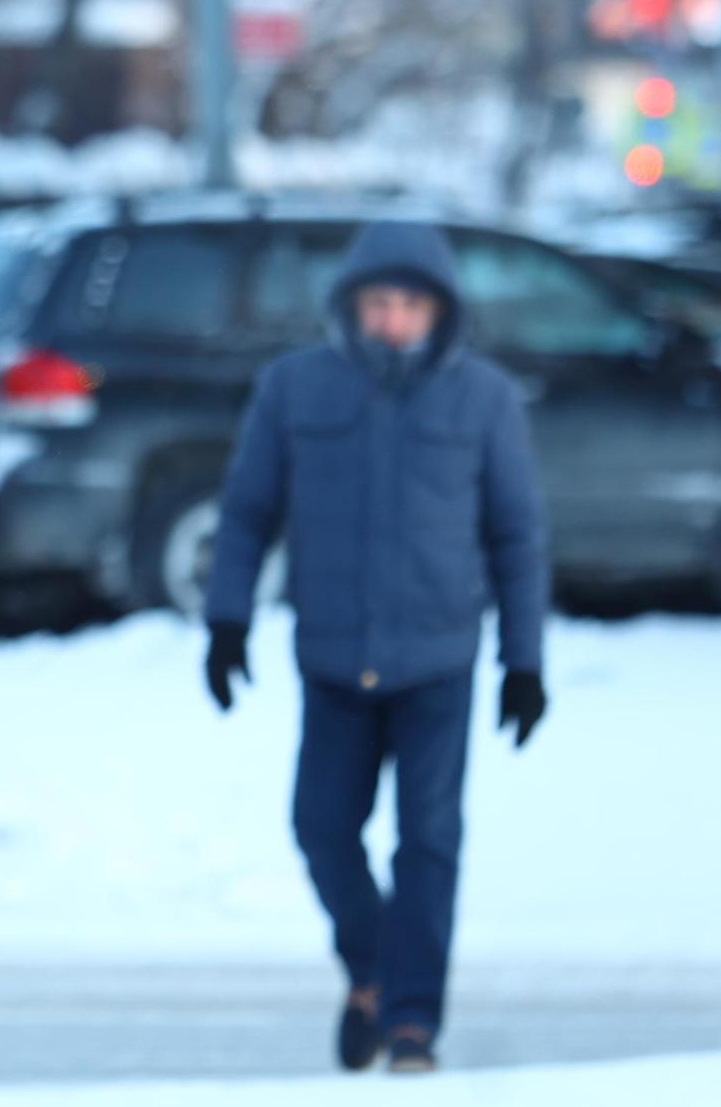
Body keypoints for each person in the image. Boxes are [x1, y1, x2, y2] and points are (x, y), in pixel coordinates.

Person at [199, 220, 549, 1077]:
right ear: (352, 307)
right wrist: (227, 618)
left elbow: (517, 536)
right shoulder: (295, 390)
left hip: (437, 662)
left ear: (438, 312)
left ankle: (410, 1026)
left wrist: (524, 660)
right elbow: (247, 512)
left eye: (409, 306)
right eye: (378, 304)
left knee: (427, 841)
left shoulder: (483, 400)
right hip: (332, 657)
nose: (392, 321)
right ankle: (373, 969)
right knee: (321, 828)